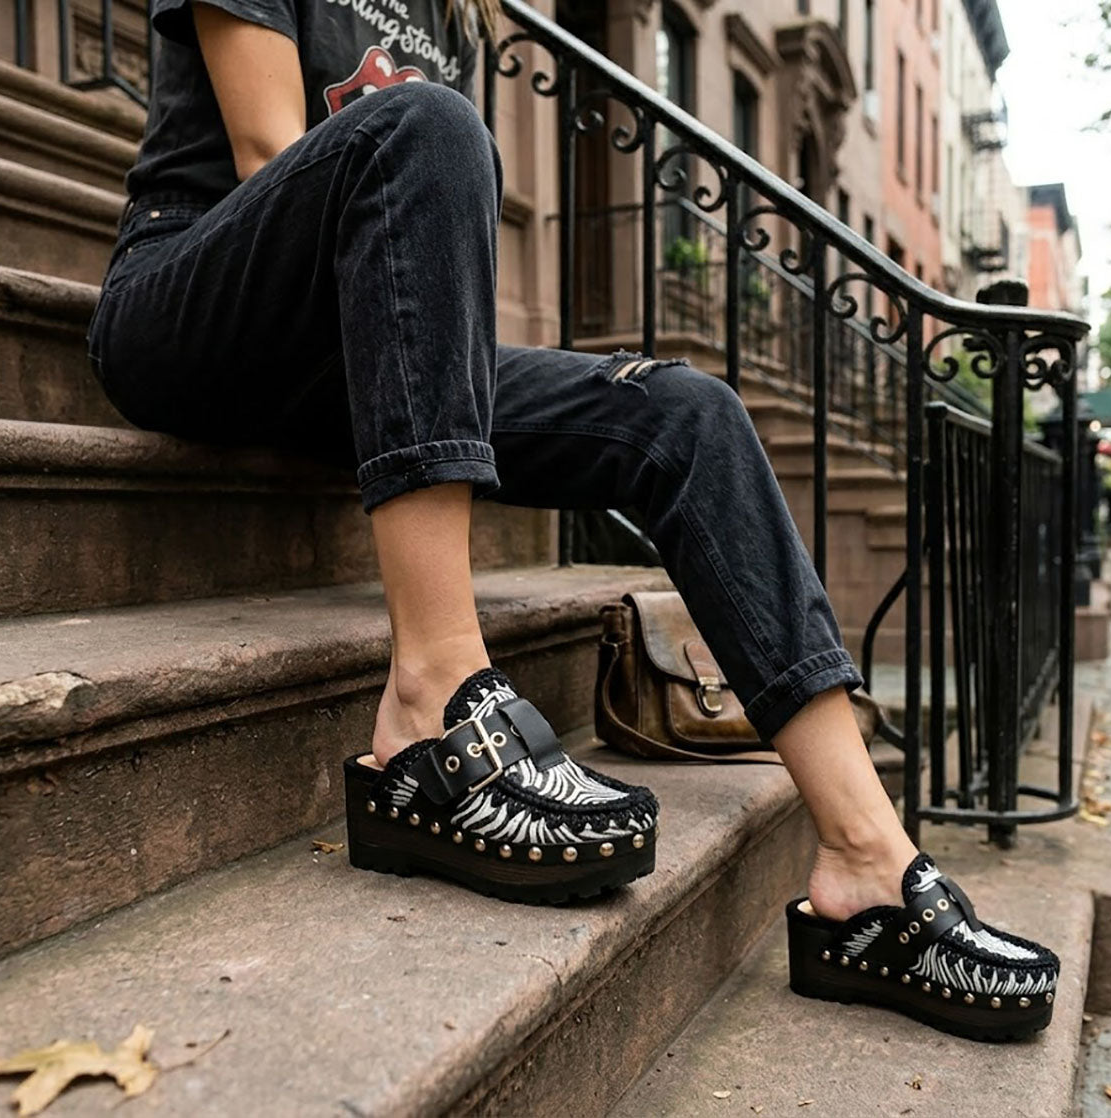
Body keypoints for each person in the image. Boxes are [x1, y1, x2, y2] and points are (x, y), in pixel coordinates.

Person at [86, 0, 1059, 1042]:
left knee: (687, 413)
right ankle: (433, 698)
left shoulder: (441, 15)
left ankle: (868, 861)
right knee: (430, 127)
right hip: (191, 306)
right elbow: (271, 153)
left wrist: (430, 361)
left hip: (347, 361)